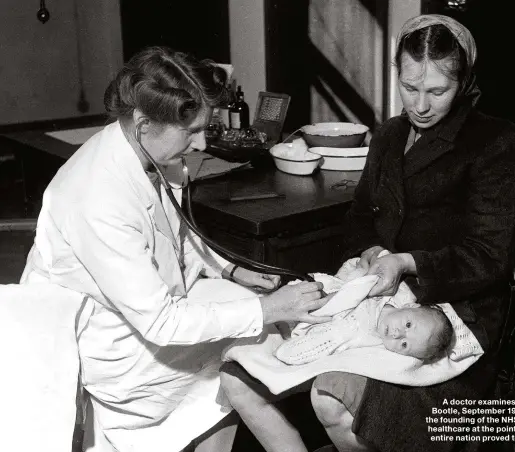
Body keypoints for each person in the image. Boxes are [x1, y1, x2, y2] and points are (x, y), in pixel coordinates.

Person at [20, 46, 330, 452]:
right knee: (247, 345)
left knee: (250, 334)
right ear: (144, 122)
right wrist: (270, 309)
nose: (201, 144)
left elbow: (175, 233)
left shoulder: (147, 150)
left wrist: (231, 270)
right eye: (192, 131)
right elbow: (161, 323)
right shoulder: (96, 197)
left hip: (150, 308)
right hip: (113, 343)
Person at [308, 14, 515, 452]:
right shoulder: (390, 134)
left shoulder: (498, 141)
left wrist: (406, 262)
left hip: (455, 313)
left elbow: (490, 254)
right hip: (389, 296)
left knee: (330, 398)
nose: (420, 106)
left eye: (437, 91)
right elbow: (358, 216)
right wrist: (372, 250)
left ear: (463, 82)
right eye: (410, 88)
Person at [275, 297, 453, 365]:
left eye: (404, 344)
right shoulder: (392, 293)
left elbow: (289, 354)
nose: (397, 334)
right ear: (410, 306)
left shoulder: (362, 337)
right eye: (408, 325)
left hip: (291, 318)